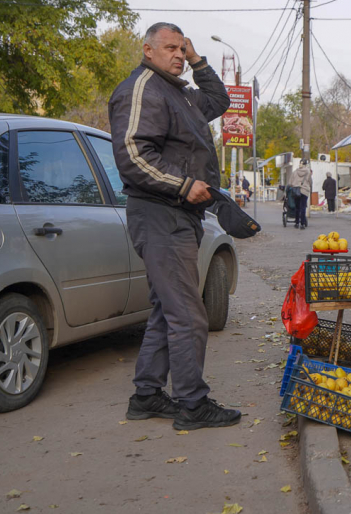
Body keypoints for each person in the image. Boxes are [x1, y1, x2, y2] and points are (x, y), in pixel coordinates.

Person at [108, 22, 241, 431]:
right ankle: (192, 405)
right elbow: (133, 153)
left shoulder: (178, 92)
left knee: (169, 312)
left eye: (182, 49)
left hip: (178, 214)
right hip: (160, 213)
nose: (178, 55)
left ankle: (146, 396)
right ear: (147, 50)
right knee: (188, 313)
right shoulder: (143, 88)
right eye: (170, 48)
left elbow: (219, 100)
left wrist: (199, 59)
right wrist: (184, 185)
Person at [288, 159, 313, 229]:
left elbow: (290, 183)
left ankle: (296, 223)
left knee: (297, 207)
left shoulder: (295, 172)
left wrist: (294, 184)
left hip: (296, 190)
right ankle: (302, 224)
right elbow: (310, 182)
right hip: (304, 191)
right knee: (303, 207)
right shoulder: (308, 172)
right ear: (306, 164)